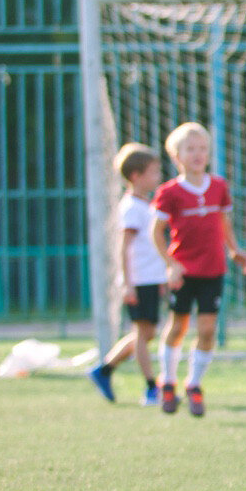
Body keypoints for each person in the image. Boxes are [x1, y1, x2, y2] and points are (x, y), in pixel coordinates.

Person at [151, 122, 246, 417]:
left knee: (207, 330)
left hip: (213, 270)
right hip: (184, 272)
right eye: (190, 149)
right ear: (177, 156)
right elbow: (156, 232)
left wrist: (234, 250)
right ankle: (167, 381)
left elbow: (223, 221)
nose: (197, 154)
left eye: (202, 149)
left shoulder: (219, 186)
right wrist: (171, 264)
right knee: (178, 326)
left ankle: (193, 384)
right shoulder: (169, 192)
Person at [87, 143, 168, 407]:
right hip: (138, 280)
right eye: (154, 172)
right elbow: (123, 248)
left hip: (150, 278)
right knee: (143, 334)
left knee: (146, 333)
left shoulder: (146, 205)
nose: (158, 177)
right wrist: (127, 283)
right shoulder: (131, 207)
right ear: (136, 176)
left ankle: (105, 369)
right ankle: (150, 388)